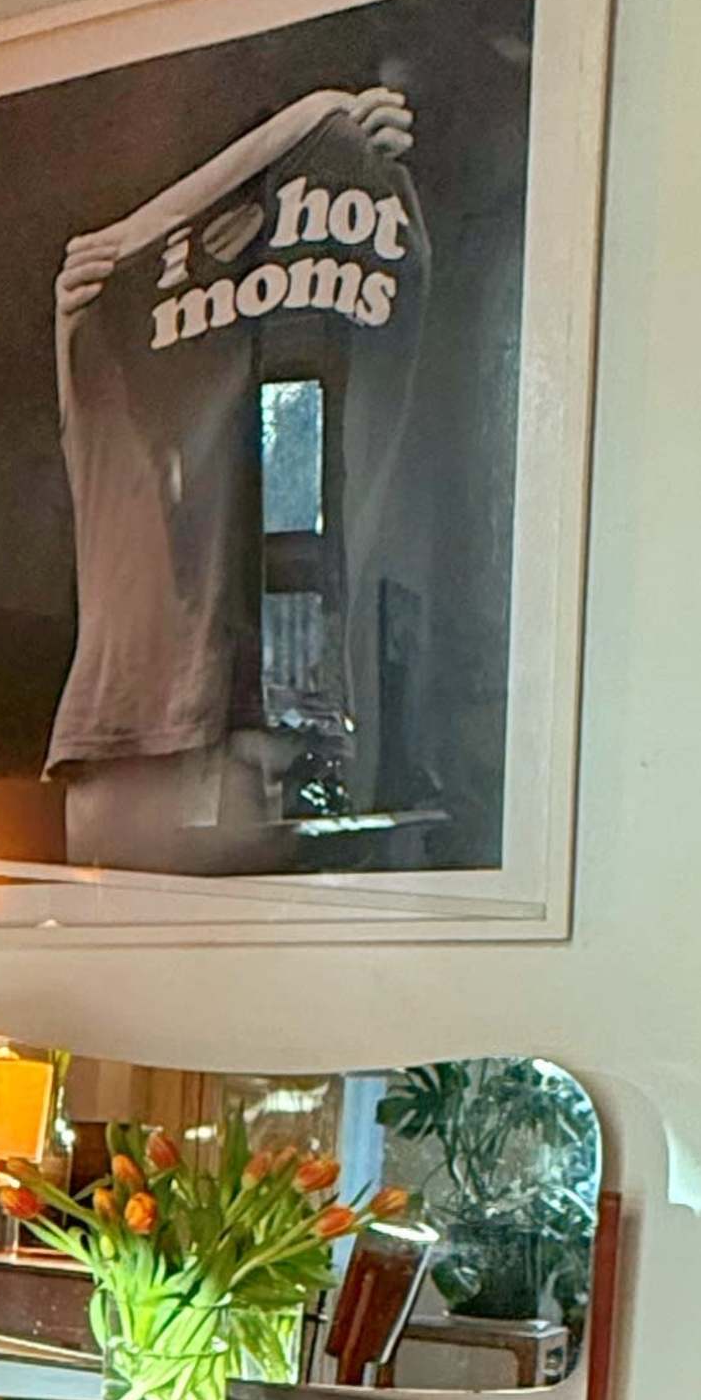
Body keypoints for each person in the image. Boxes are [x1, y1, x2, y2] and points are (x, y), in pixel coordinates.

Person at [45, 76, 420, 871]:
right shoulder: (113, 320)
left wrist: (341, 149)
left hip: (212, 755)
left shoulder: (284, 420)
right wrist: (317, 122)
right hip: (141, 761)